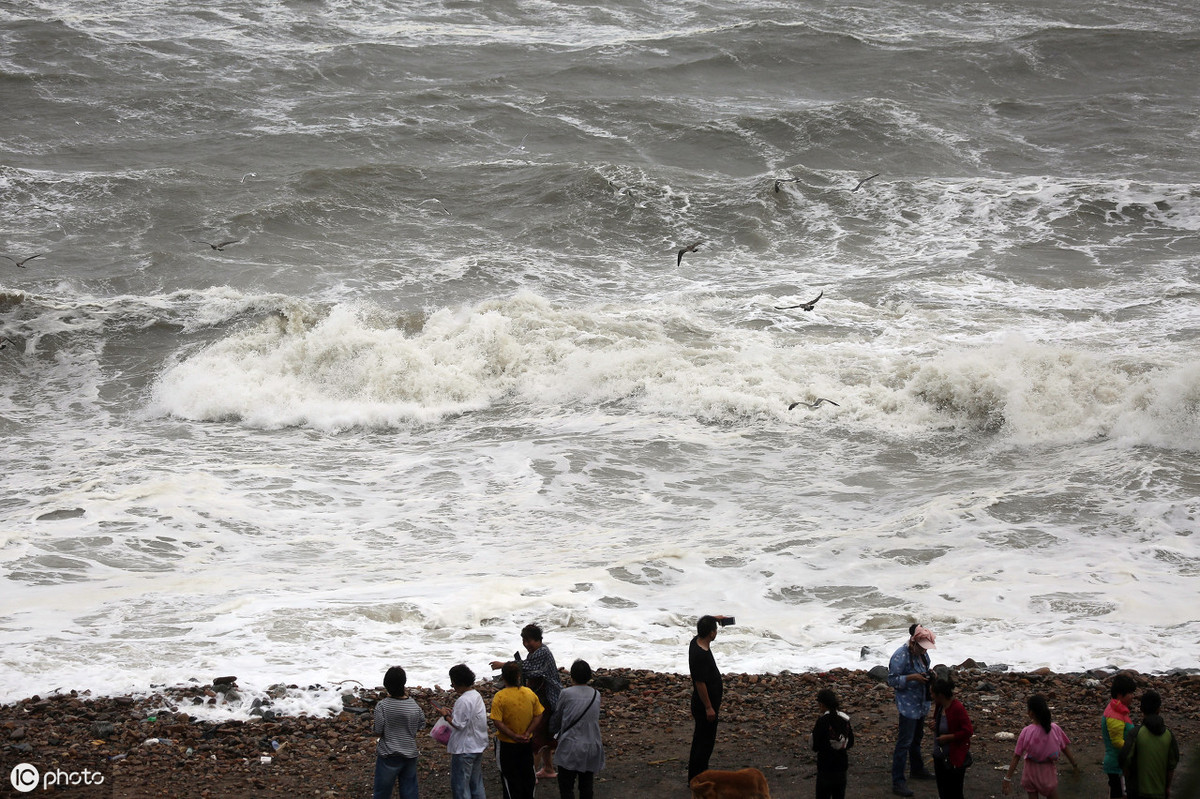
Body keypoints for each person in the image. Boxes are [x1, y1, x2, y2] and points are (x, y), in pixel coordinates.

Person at [491, 623, 562, 779]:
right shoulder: (537, 652)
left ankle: (531, 775)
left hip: (548, 696)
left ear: (538, 640)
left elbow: (525, 667)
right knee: (546, 736)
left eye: (529, 641)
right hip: (543, 696)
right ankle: (548, 769)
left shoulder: (542, 652)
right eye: (524, 641)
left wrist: (503, 665)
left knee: (537, 738)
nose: (526, 644)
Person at [887, 624, 937, 796]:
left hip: (921, 703)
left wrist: (931, 674)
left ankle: (917, 769)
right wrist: (912, 677)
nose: (924, 651)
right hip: (908, 706)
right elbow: (892, 680)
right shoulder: (900, 656)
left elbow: (926, 667)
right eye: (922, 648)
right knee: (904, 743)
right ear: (914, 642)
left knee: (916, 739)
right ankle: (898, 781)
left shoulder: (922, 654)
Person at [1002, 694, 1079, 799]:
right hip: (1048, 773)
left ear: (1031, 713)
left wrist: (1007, 778)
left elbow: (1017, 756)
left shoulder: (1026, 731)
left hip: (1030, 773)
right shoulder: (1054, 728)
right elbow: (1064, 748)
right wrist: (1074, 765)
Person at [490, 660, 545, 799]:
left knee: (510, 778)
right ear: (519, 676)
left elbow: (497, 721)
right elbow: (539, 714)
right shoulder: (529, 693)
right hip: (526, 741)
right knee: (527, 775)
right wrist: (527, 732)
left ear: (503, 678)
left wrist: (513, 735)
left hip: (507, 743)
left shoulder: (500, 696)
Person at [551, 659, 605, 799]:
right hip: (592, 744)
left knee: (566, 786)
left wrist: (551, 731)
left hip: (571, 745)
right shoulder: (596, 694)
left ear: (572, 676)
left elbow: (558, 716)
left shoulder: (566, 693)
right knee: (586, 786)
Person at [434, 664, 489, 799]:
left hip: (464, 749)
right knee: (476, 785)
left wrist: (445, 716)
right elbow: (468, 718)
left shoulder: (463, 700)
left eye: (453, 682)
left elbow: (458, 724)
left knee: (461, 787)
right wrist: (452, 714)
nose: (452, 685)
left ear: (458, 682)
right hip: (477, 745)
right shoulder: (476, 695)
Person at [373, 665, 426, 799]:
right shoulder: (413, 705)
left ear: (387, 685)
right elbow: (421, 724)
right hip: (410, 752)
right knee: (409, 790)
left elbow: (378, 730)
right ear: (404, 683)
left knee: (382, 792)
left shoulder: (382, 706)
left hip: (388, 754)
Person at [687, 614, 729, 783]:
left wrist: (714, 618)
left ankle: (696, 776)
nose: (716, 632)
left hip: (704, 703)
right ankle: (699, 778)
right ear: (712, 633)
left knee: (700, 740)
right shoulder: (701, 655)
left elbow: (703, 623)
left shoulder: (695, 641)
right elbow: (700, 683)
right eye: (715, 629)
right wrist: (709, 707)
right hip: (704, 705)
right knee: (704, 743)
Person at [1119, 690, 1180, 799]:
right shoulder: (1168, 735)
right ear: (1159, 709)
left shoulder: (1135, 733)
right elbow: (1172, 765)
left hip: (1137, 793)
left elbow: (1124, 760)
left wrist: (1127, 786)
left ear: (1141, 709)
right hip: (1160, 792)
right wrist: (1167, 788)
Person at [929, 677, 973, 799]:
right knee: (943, 791)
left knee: (955, 792)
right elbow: (938, 723)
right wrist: (934, 724)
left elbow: (968, 731)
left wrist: (950, 737)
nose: (931, 696)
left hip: (954, 757)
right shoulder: (939, 706)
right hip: (939, 755)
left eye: (933, 693)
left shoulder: (957, 708)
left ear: (941, 695)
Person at [811, 687, 855, 799]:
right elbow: (850, 742)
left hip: (825, 767)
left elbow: (815, 746)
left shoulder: (822, 721)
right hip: (841, 766)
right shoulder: (845, 719)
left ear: (821, 704)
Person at [1103, 673, 1138, 799]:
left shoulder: (1117, 709)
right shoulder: (1114, 714)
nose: (1132, 697)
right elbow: (1117, 742)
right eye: (1130, 693)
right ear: (1119, 694)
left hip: (1119, 763)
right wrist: (1137, 747)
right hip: (1117, 765)